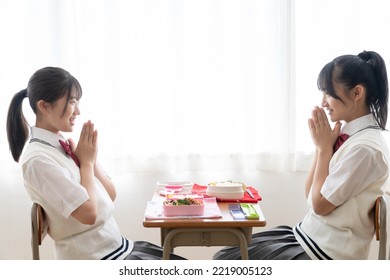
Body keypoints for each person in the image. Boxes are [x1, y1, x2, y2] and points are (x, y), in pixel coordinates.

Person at [213, 50, 390, 260]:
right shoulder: (351, 137)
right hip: (309, 235)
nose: (323, 102)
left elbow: (320, 205)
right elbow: (310, 195)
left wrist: (325, 150)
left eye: (329, 93)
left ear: (357, 93)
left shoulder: (366, 149)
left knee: (227, 261)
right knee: (226, 254)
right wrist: (320, 147)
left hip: (326, 251)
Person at [6, 66, 186, 260]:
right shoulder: (37, 160)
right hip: (96, 257)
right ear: (44, 106)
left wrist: (89, 158)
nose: (78, 111)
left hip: (117, 247)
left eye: (77, 101)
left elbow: (110, 194)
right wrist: (87, 164)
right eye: (72, 102)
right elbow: (89, 214)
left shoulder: (59, 147)